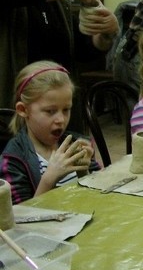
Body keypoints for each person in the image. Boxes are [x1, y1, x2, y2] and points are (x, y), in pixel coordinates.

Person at [1, 61, 100, 205]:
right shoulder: (13, 159)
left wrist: (84, 170)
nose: (61, 119)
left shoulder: (76, 143)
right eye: (50, 111)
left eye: (66, 109)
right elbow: (20, 219)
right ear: (23, 110)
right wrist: (49, 179)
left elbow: (98, 196)